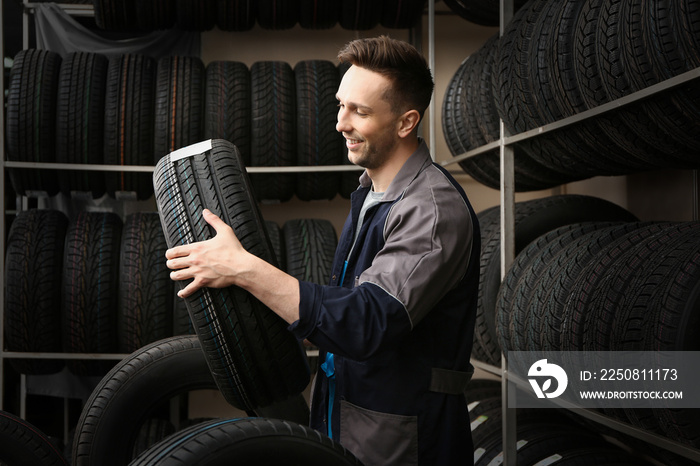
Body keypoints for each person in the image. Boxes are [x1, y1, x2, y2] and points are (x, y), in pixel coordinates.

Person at [165, 35, 481, 466]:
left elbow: (366, 322)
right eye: (340, 105)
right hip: (346, 410)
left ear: (406, 122)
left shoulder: (432, 210)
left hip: (405, 436)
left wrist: (243, 269)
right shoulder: (372, 190)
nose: (340, 123)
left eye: (360, 111)